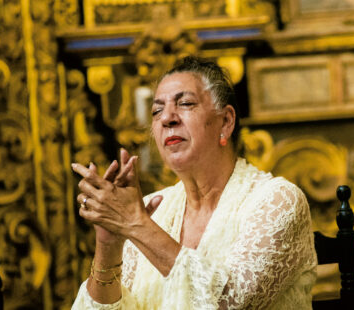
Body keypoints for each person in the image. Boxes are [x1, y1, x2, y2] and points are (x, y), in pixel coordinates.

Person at [70, 56, 316, 309]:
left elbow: (231, 303)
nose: (167, 118)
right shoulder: (149, 211)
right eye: (156, 111)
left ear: (226, 121)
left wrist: (135, 224)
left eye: (185, 103)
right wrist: (109, 244)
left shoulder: (278, 200)